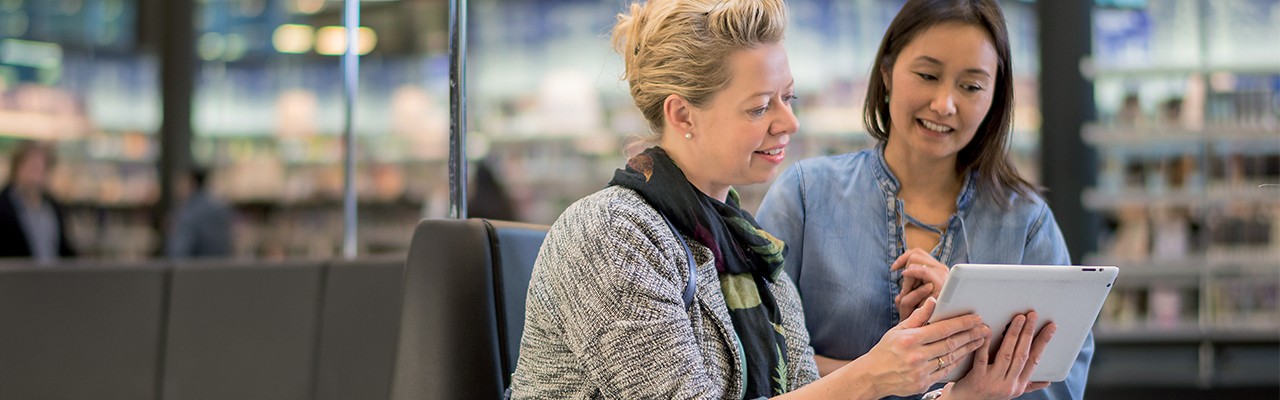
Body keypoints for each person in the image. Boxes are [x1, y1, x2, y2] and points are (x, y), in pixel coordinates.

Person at [510, 1, 1051, 398]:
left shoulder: (751, 251)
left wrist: (958, 389)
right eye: (759, 106)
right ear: (682, 115)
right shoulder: (611, 234)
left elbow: (803, 393)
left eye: (787, 98)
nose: (788, 122)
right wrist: (873, 373)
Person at [756, 0, 1088, 398]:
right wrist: (894, 375)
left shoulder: (1026, 222)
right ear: (887, 72)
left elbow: (1061, 380)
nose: (944, 104)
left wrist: (972, 318)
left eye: (971, 86)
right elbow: (758, 357)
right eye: (928, 75)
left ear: (995, 98)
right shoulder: (805, 196)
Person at [0, 140, 76, 262]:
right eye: (33, 167)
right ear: (17, 168)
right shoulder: (4, 207)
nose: (37, 175)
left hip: (52, 279)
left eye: (42, 168)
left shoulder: (53, 206)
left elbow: (65, 250)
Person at [165, 166, 234, 258]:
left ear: (192, 183)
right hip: (220, 266)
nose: (176, 187)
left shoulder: (190, 212)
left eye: (181, 181)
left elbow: (179, 252)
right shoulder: (220, 207)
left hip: (194, 269)